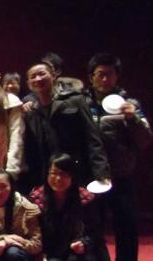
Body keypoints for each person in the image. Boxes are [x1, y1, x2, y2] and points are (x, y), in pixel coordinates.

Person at [85, 52, 151, 261]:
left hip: (121, 176)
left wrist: (133, 120)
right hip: (92, 177)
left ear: (117, 77)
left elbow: (144, 141)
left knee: (127, 227)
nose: (105, 79)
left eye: (110, 74)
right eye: (100, 74)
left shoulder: (129, 104)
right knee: (92, 228)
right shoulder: (82, 102)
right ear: (91, 77)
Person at [21, 61, 110, 192]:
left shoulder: (74, 100)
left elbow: (92, 138)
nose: (38, 79)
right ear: (28, 83)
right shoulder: (31, 111)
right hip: (49, 176)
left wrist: (101, 173)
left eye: (42, 74)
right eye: (33, 76)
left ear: (53, 75)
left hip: (77, 170)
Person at [29, 153, 100, 261]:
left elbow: (94, 231)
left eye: (64, 174)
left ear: (72, 176)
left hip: (75, 251)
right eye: (53, 173)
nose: (58, 179)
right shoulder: (36, 199)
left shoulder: (85, 198)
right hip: (50, 252)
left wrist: (84, 243)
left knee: (83, 260)